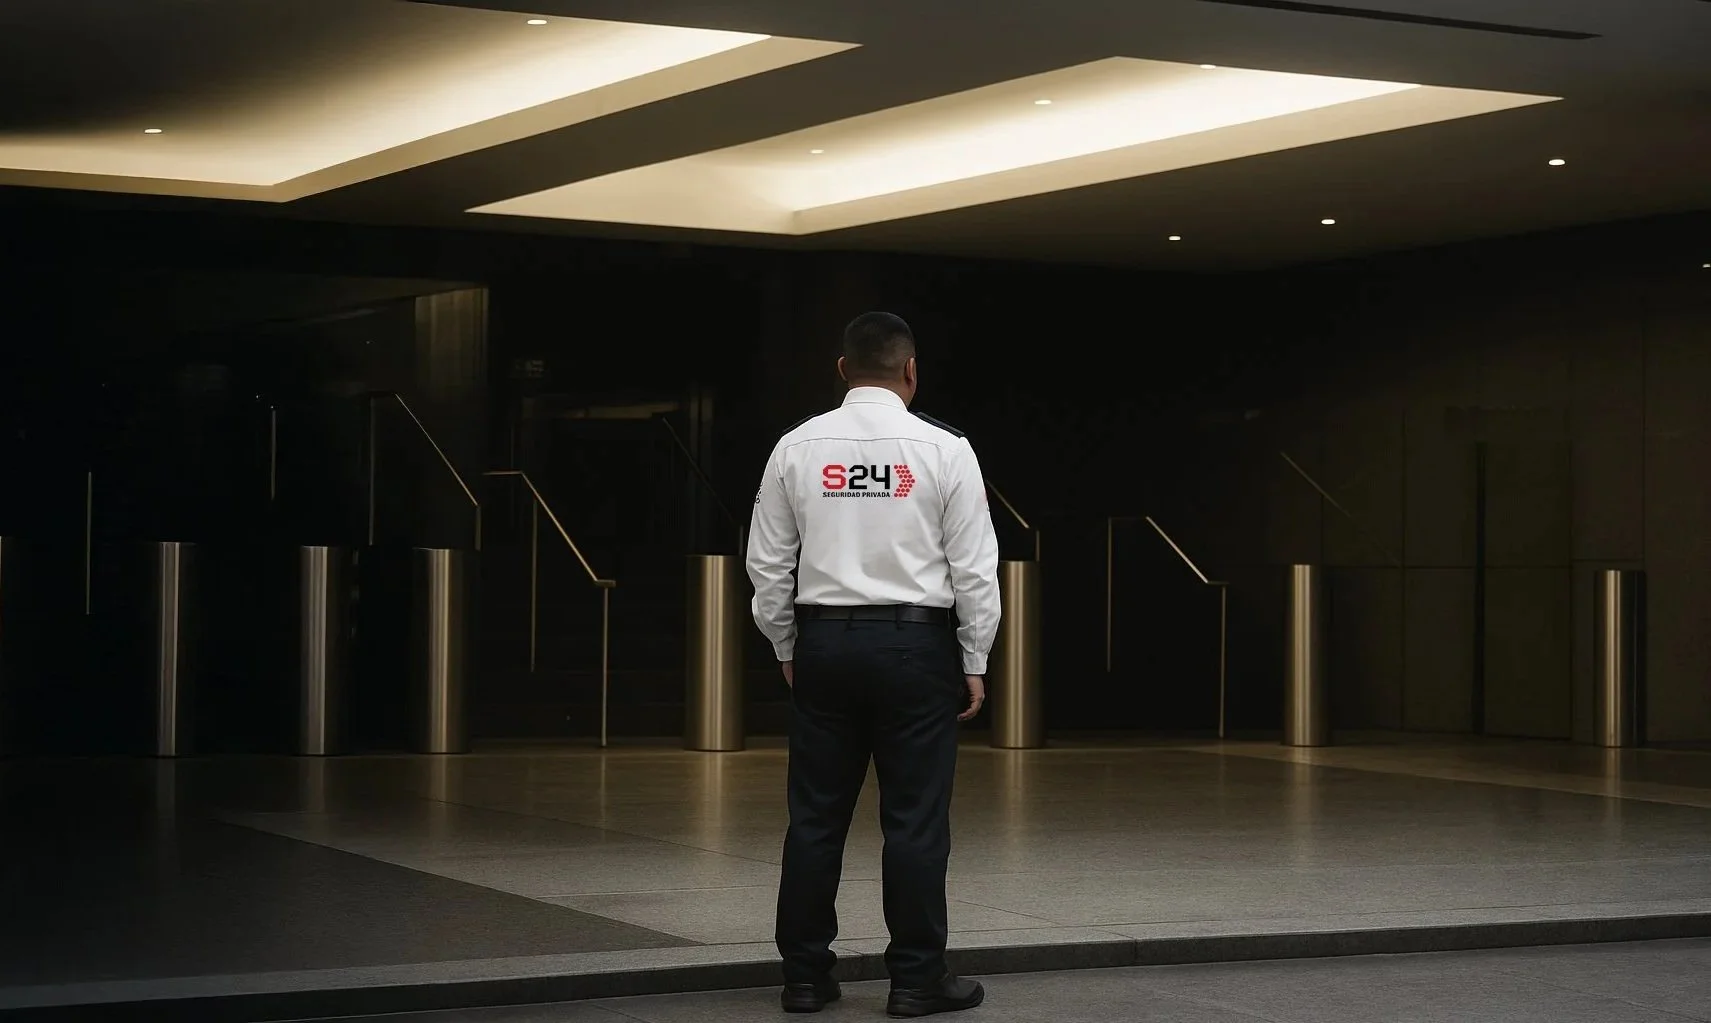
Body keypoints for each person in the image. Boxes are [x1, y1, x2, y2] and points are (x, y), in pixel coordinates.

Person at [747, 311, 1002, 1017]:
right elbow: (974, 565)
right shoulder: (944, 447)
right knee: (915, 820)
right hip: (916, 647)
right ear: (911, 370)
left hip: (825, 643)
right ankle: (916, 978)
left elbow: (767, 564)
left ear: (841, 369)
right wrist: (973, 655)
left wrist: (786, 646)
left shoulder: (797, 446)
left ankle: (804, 976)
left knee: (815, 818)